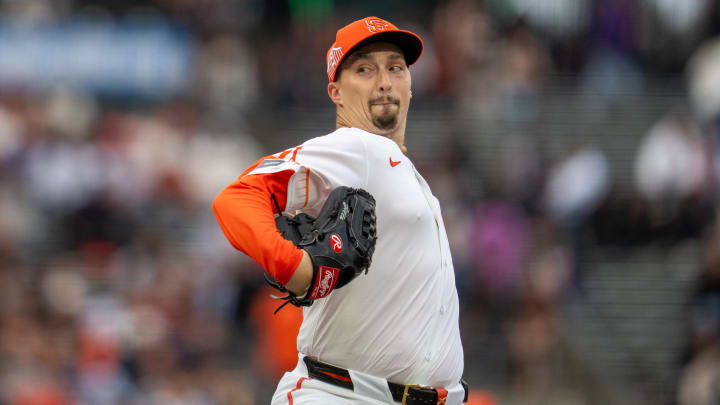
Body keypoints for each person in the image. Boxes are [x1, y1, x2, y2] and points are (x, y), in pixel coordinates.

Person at [212, 16, 466, 404]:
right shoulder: (359, 147)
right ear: (336, 91)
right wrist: (292, 266)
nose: (384, 81)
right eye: (364, 69)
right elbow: (237, 198)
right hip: (343, 394)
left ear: (411, 85)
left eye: (395, 68)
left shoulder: (402, 172)